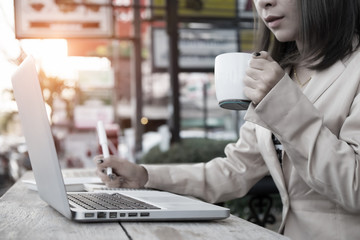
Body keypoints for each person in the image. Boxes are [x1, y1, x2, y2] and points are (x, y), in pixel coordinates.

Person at [94, 0, 360, 239]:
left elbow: (355, 187)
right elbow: (235, 171)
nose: (263, 4)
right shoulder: (282, 74)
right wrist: (145, 175)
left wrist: (282, 102)